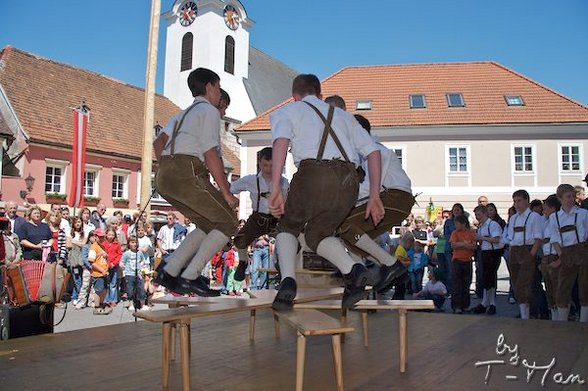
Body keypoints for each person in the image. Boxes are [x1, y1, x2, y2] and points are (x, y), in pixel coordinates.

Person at [268, 74, 384, 310]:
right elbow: (374, 153)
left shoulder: (290, 111)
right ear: (320, 95)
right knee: (317, 235)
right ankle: (353, 270)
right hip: (349, 182)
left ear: (295, 96)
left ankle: (288, 281)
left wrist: (275, 187)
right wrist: (374, 196)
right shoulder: (345, 117)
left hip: (314, 174)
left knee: (288, 226)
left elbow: (280, 142)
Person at [153, 67, 239, 297]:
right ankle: (190, 276)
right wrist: (226, 193)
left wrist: (168, 166)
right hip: (187, 171)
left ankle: (169, 271)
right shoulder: (209, 112)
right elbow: (210, 152)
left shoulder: (182, 114)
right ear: (210, 86)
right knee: (229, 222)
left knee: (208, 223)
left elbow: (158, 143)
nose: (220, 93)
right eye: (219, 87)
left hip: (165, 175)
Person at [337, 114, 412, 293]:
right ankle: (362, 273)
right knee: (349, 237)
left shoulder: (376, 151)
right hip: (391, 197)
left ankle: (390, 264)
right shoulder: (365, 154)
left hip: (395, 197)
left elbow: (369, 188)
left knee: (342, 225)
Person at [230, 147, 289, 284]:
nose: (268, 169)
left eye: (272, 165)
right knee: (240, 240)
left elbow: (288, 202)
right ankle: (243, 262)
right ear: (259, 163)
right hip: (258, 218)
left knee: (287, 244)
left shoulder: (284, 182)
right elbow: (230, 189)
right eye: (265, 165)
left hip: (277, 218)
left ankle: (282, 270)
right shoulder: (250, 180)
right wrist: (229, 197)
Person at [548, 184, 588, 322]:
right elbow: (554, 238)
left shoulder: (583, 214)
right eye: (568, 196)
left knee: (584, 287)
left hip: (582, 250)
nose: (571, 199)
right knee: (562, 288)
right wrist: (562, 256)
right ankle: (562, 322)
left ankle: (583, 322)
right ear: (560, 198)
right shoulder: (555, 217)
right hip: (565, 253)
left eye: (572, 196)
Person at [505, 189, 543, 319]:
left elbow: (538, 239)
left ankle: (532, 313)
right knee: (516, 284)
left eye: (519, 201)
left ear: (527, 201)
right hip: (515, 252)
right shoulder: (514, 218)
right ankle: (524, 314)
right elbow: (510, 238)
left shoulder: (534, 217)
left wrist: (531, 255)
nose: (516, 204)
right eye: (515, 201)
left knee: (527, 284)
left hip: (528, 250)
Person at [472, 205, 504, 315]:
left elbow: (496, 239)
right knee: (485, 278)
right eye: (476, 215)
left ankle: (492, 303)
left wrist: (481, 238)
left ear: (485, 214)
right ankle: (485, 302)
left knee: (490, 278)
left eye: (479, 215)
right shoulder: (481, 226)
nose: (477, 217)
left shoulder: (493, 224)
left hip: (493, 253)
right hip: (485, 253)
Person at [540, 194, 561, 321]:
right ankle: (554, 314)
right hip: (547, 256)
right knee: (549, 288)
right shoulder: (546, 221)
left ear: (553, 208)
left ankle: (560, 316)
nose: (544, 211)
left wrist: (559, 259)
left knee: (558, 288)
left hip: (555, 255)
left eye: (546, 208)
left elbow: (556, 240)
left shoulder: (556, 220)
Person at [449, 214, 476, 314]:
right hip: (457, 260)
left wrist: (464, 245)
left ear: (463, 223)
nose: (456, 225)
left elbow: (473, 246)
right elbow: (453, 245)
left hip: (468, 260)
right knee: (456, 284)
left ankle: (465, 305)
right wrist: (464, 244)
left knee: (466, 284)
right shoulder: (455, 233)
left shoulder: (470, 233)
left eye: (457, 223)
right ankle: (456, 306)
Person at [120, 236, 150, 311]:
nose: (134, 244)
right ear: (129, 244)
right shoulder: (127, 253)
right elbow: (122, 262)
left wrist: (143, 266)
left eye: (136, 242)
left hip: (139, 274)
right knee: (130, 290)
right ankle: (131, 304)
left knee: (141, 289)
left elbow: (143, 260)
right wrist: (123, 268)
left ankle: (142, 305)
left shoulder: (139, 253)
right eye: (132, 242)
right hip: (129, 274)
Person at [88, 228, 111, 315]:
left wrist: (106, 256)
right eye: (100, 237)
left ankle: (101, 304)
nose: (102, 239)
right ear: (95, 237)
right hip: (98, 273)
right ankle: (97, 307)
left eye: (103, 237)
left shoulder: (102, 246)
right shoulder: (93, 248)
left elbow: (103, 258)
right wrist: (101, 270)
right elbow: (92, 262)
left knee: (104, 289)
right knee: (98, 290)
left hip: (104, 272)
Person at [67, 217, 86, 306]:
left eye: (79, 222)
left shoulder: (83, 234)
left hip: (81, 258)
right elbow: (68, 244)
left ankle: (75, 296)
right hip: (73, 258)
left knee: (80, 278)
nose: (78, 224)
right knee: (76, 278)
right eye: (76, 222)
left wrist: (74, 242)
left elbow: (84, 244)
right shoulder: (70, 233)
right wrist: (78, 243)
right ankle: (80, 296)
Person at [75, 231, 96, 310]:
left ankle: (92, 301)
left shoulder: (98, 247)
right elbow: (85, 258)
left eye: (95, 237)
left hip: (96, 270)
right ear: (89, 237)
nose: (94, 238)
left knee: (93, 287)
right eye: (92, 236)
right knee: (85, 286)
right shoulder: (86, 247)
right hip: (87, 269)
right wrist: (90, 266)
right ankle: (81, 302)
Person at [102, 227, 122, 306]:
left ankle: (113, 299)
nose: (110, 236)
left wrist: (114, 263)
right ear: (106, 235)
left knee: (113, 284)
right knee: (106, 283)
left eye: (112, 235)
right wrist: (107, 264)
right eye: (109, 235)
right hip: (105, 266)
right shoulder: (103, 244)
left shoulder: (117, 244)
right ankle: (106, 299)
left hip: (114, 266)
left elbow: (119, 255)